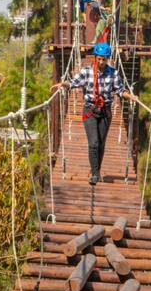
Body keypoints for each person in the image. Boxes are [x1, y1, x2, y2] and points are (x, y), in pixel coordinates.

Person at [52, 42, 138, 185]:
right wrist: (63, 84)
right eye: (99, 58)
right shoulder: (87, 72)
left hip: (105, 112)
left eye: (104, 59)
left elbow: (120, 90)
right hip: (90, 111)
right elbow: (74, 82)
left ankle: (96, 170)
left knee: (101, 144)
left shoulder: (113, 73)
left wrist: (132, 97)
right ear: (95, 58)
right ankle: (95, 173)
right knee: (94, 142)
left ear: (108, 59)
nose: (101, 61)